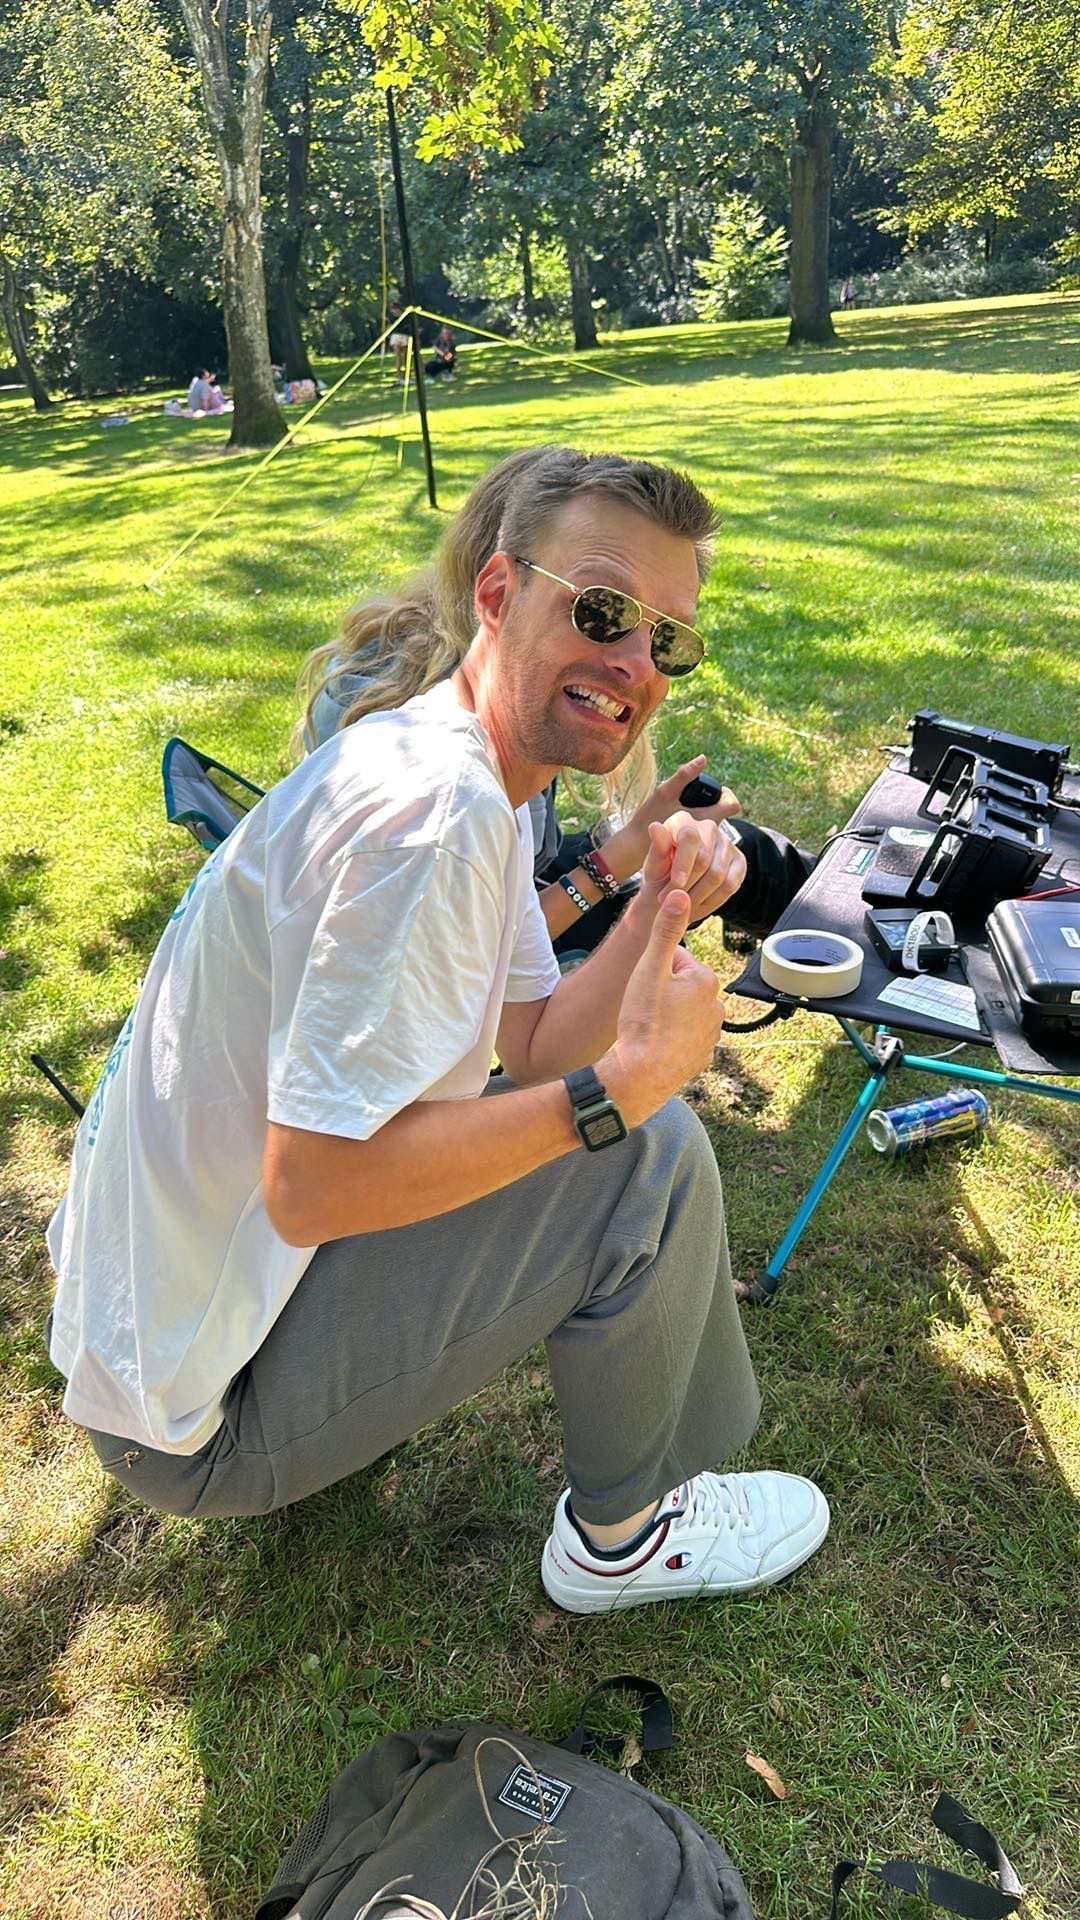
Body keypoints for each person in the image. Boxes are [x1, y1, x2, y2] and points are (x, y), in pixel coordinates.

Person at [46, 447, 830, 1616]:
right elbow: (316, 1185)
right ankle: (623, 1542)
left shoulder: (454, 763)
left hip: (145, 1327)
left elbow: (537, 1039)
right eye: (603, 610)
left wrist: (654, 904)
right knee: (645, 1160)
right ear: (499, 595)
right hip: (192, 1418)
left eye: (667, 640)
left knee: (627, 1137)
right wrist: (623, 1088)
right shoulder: (434, 816)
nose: (635, 661)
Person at [388, 300, 410, 382]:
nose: (394, 310)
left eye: (395, 308)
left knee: (406, 356)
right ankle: (399, 376)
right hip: (396, 336)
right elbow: (391, 327)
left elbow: (407, 326)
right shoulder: (391, 318)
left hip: (404, 336)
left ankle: (407, 375)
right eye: (393, 309)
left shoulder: (405, 316)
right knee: (398, 357)